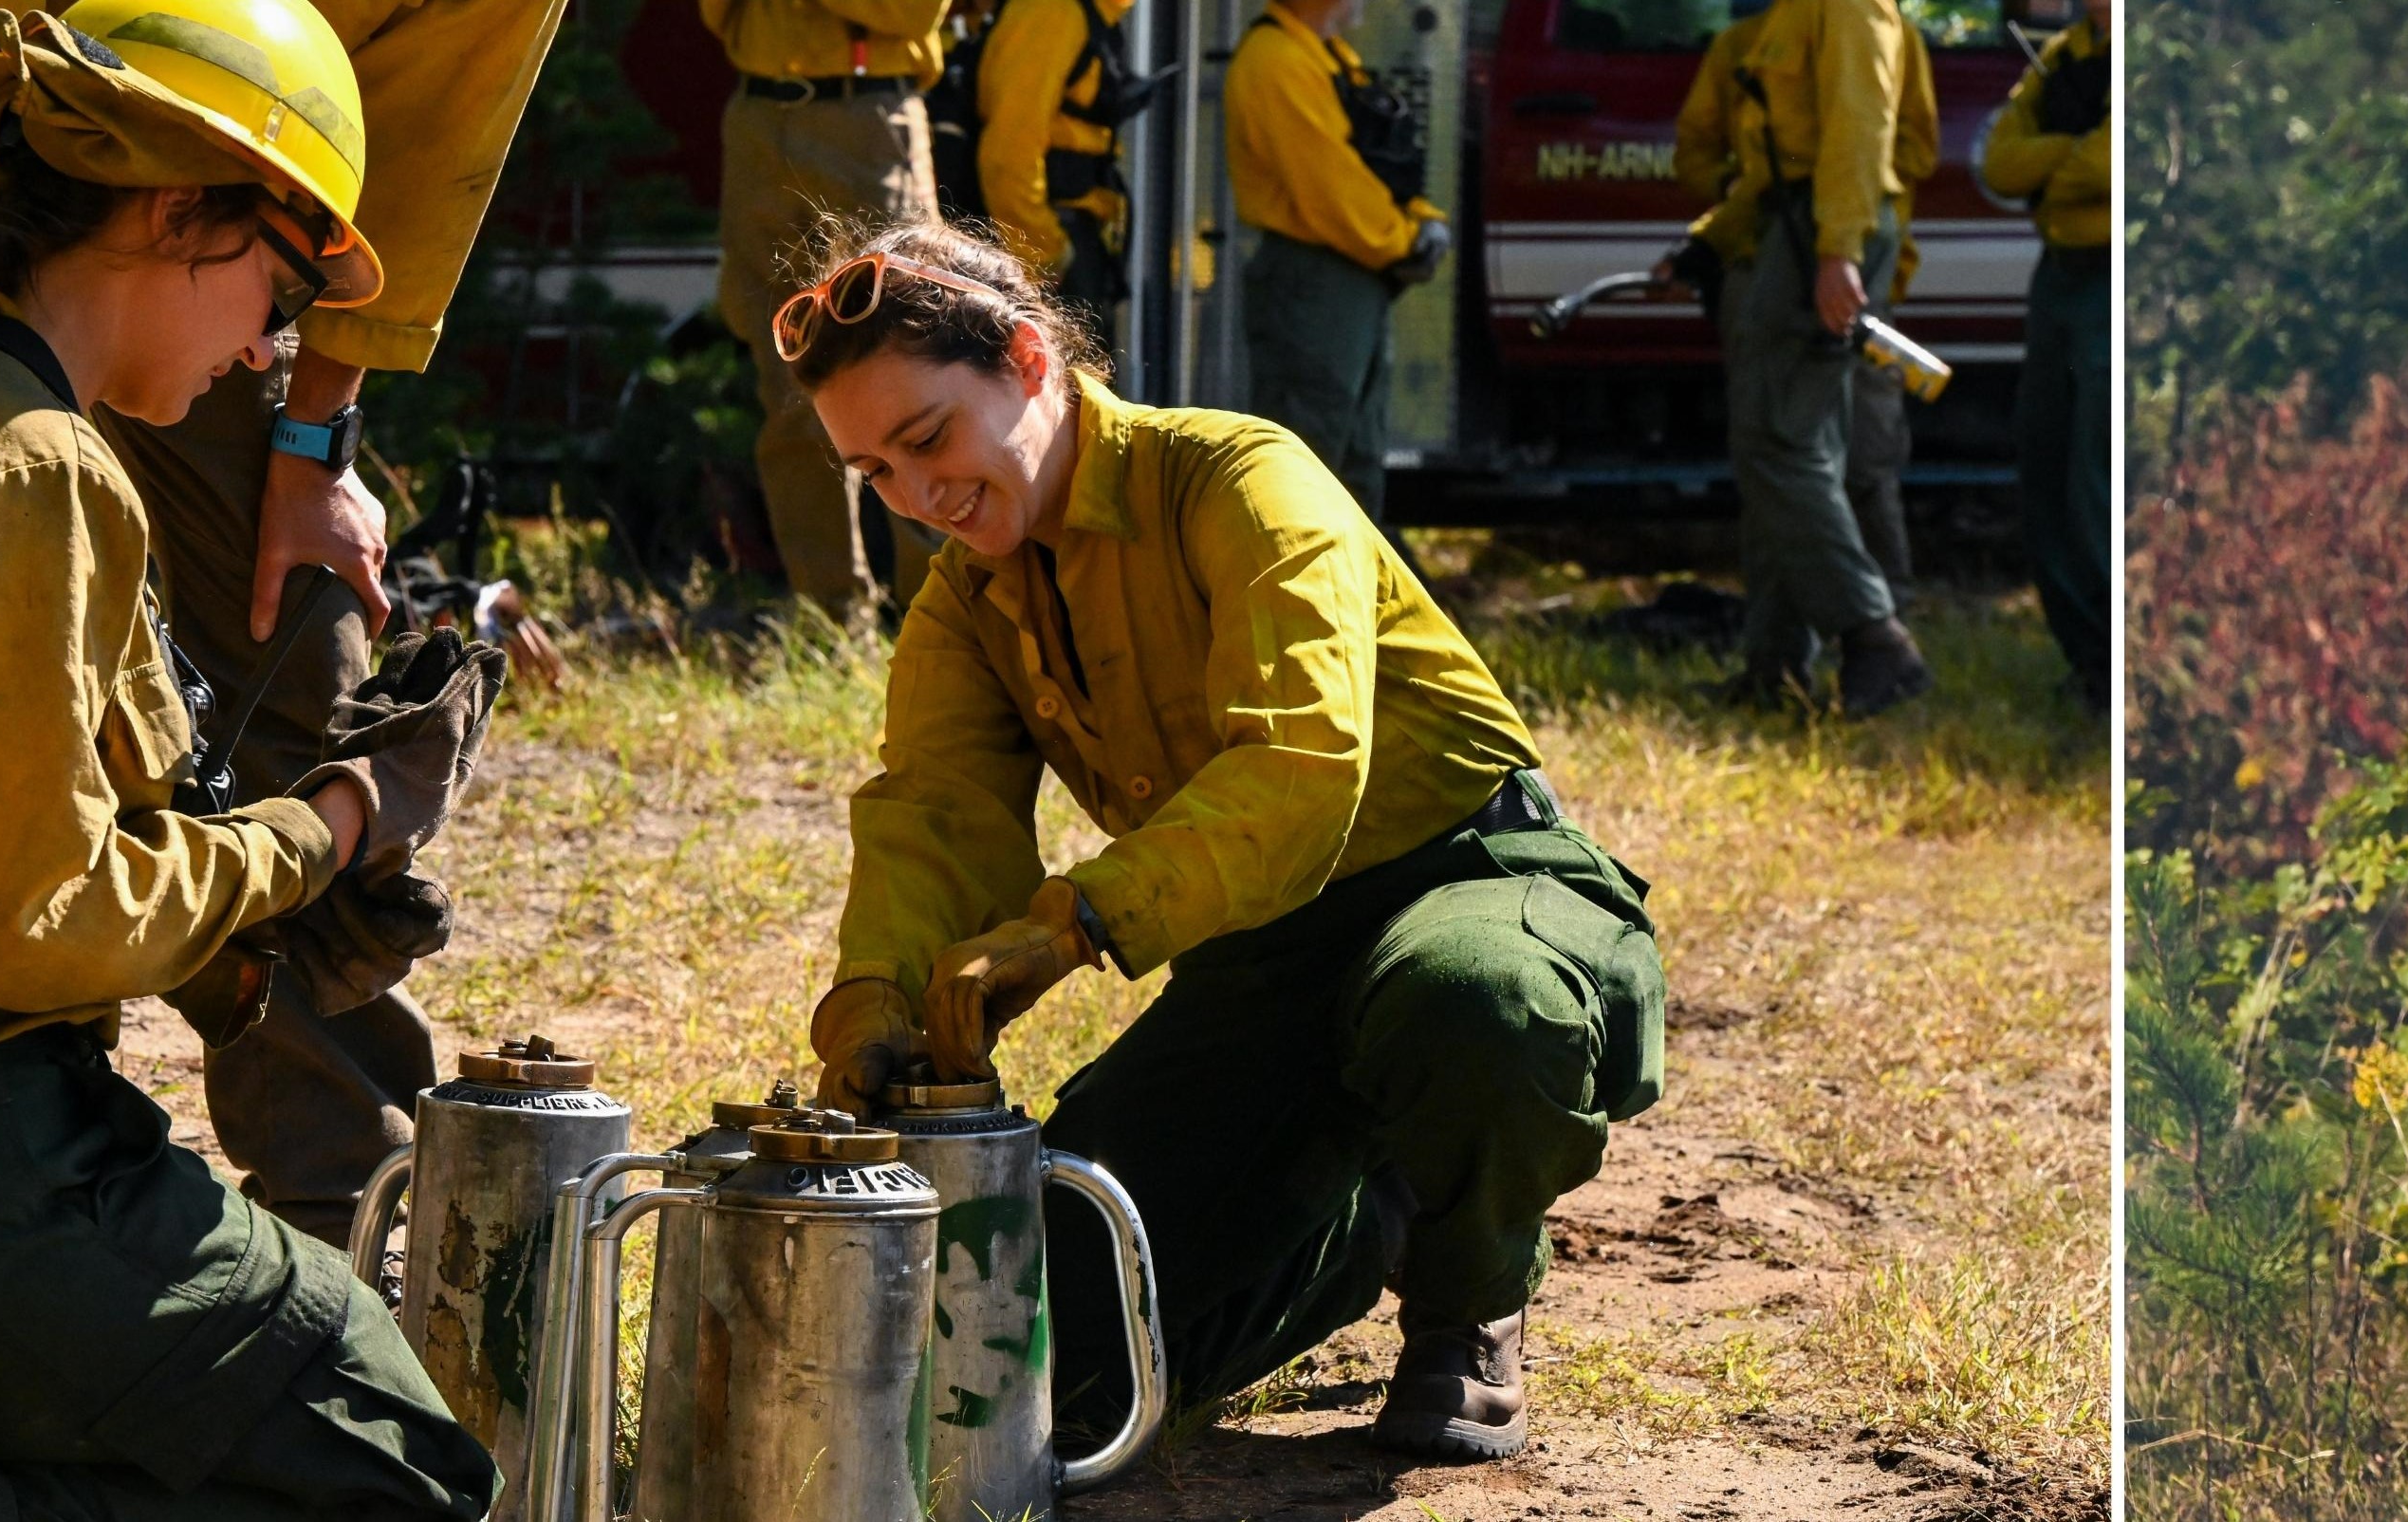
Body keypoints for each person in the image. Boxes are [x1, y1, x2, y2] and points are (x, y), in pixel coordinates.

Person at [778, 218, 1666, 1464]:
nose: (918, 496)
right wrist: (872, 997)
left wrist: (1072, 924)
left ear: (1031, 360)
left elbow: (1298, 768)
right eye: (872, 472)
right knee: (1032, 1348)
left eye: (927, 436)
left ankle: (1467, 1304)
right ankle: (1359, 1212)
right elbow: (934, 813)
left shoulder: (1240, 478)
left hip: (1469, 877)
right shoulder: (966, 601)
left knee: (1478, 1004)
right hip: (1261, 951)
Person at [0, 7, 504, 1513]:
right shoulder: (29, 464)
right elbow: (24, 923)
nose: (270, 345)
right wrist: (335, 823)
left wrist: (242, 936)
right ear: (177, 207)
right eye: (281, 282)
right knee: (403, 1469)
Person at [1688, 0, 1930, 712]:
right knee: (1788, 448)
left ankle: (1875, 636)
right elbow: (1772, 162)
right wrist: (1710, 237)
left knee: (1778, 442)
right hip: (1794, 226)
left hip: (1820, 235)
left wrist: (1839, 251)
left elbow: (1860, 130)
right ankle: (1775, 666)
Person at [707, 0, 959, 621]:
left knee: (909, 367)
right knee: (788, 379)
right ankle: (831, 618)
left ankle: (942, 621)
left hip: (866, 118)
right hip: (760, 119)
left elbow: (914, 13)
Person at [1226, 0, 1445, 521]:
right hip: (1313, 277)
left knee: (1357, 459)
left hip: (1353, 271)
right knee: (1309, 459)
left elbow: (1374, 161)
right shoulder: (1275, 60)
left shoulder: (1325, 54)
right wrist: (1404, 240)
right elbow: (1329, 186)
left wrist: (1417, 220)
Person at [1979, 0, 2106, 705]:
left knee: (2096, 482)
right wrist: (2070, 155)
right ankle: (2085, 662)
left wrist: (2054, 164)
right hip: (2057, 273)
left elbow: (2117, 160)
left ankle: (2119, 676)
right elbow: (2000, 163)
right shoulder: (2057, 57)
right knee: (2047, 473)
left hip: (2110, 279)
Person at [974, 0, 1133, 330]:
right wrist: (1043, 254)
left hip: (1073, 233)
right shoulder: (1052, 12)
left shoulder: (1091, 14)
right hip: (1049, 244)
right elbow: (1008, 153)